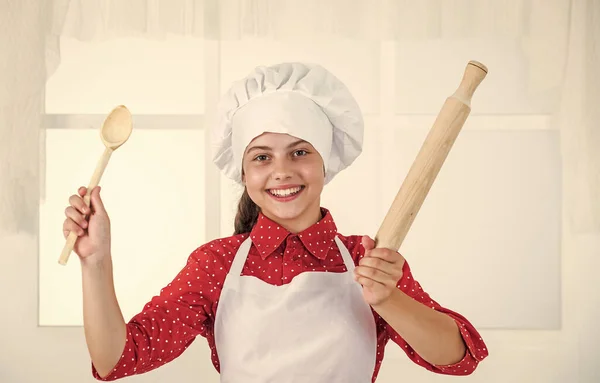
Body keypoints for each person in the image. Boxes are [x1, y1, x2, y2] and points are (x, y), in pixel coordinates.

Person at [63, 62, 489, 382]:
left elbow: (458, 356)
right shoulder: (216, 263)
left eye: (300, 152)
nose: (282, 171)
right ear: (244, 174)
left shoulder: (367, 258)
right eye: (262, 157)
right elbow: (117, 357)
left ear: (327, 163)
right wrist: (95, 262)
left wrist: (386, 299)